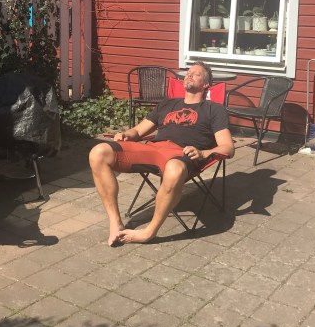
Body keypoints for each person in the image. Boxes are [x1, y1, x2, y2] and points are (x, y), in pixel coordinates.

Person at [88, 61, 234, 246]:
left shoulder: (214, 109)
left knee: (174, 169)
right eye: (188, 72)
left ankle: (148, 232)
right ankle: (115, 222)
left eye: (196, 74)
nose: (189, 75)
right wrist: (126, 135)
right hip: (153, 149)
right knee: (98, 152)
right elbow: (138, 131)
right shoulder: (167, 103)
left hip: (180, 154)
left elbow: (228, 147)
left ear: (206, 84)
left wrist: (204, 153)